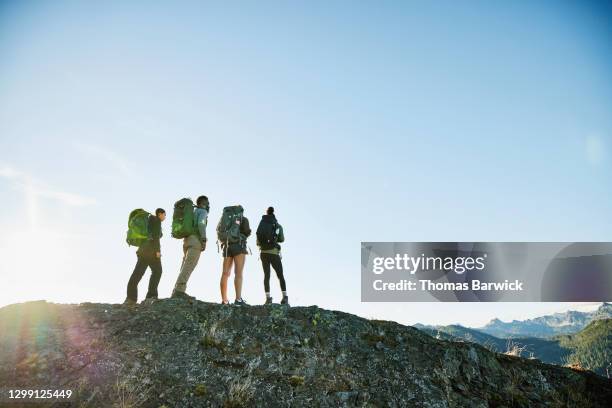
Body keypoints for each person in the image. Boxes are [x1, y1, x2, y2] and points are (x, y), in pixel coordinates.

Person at [125, 208, 166, 305]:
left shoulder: (149, 220)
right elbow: (155, 237)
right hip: (151, 251)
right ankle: (151, 296)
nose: (164, 217)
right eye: (164, 215)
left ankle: (131, 298)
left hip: (143, 250)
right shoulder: (156, 220)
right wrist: (157, 251)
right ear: (160, 214)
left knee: (137, 274)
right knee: (157, 271)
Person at [172, 195, 209, 300]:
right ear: (202, 203)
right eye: (207, 203)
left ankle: (176, 290)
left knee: (184, 266)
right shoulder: (202, 212)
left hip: (187, 240)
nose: (208, 205)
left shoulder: (193, 212)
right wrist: (203, 239)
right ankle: (179, 291)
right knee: (189, 266)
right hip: (195, 241)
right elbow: (201, 224)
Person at [218, 205, 251, 305]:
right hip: (239, 247)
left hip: (227, 246)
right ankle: (238, 299)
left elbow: (219, 230)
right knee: (238, 273)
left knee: (225, 273)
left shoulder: (225, 218)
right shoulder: (243, 219)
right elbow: (247, 232)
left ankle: (224, 300)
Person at [256, 206, 288, 306]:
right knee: (280, 275)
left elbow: (258, 241)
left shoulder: (262, 224)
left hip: (263, 253)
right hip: (274, 253)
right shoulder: (277, 225)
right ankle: (285, 298)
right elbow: (282, 239)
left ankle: (268, 298)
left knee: (266, 275)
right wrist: (274, 240)